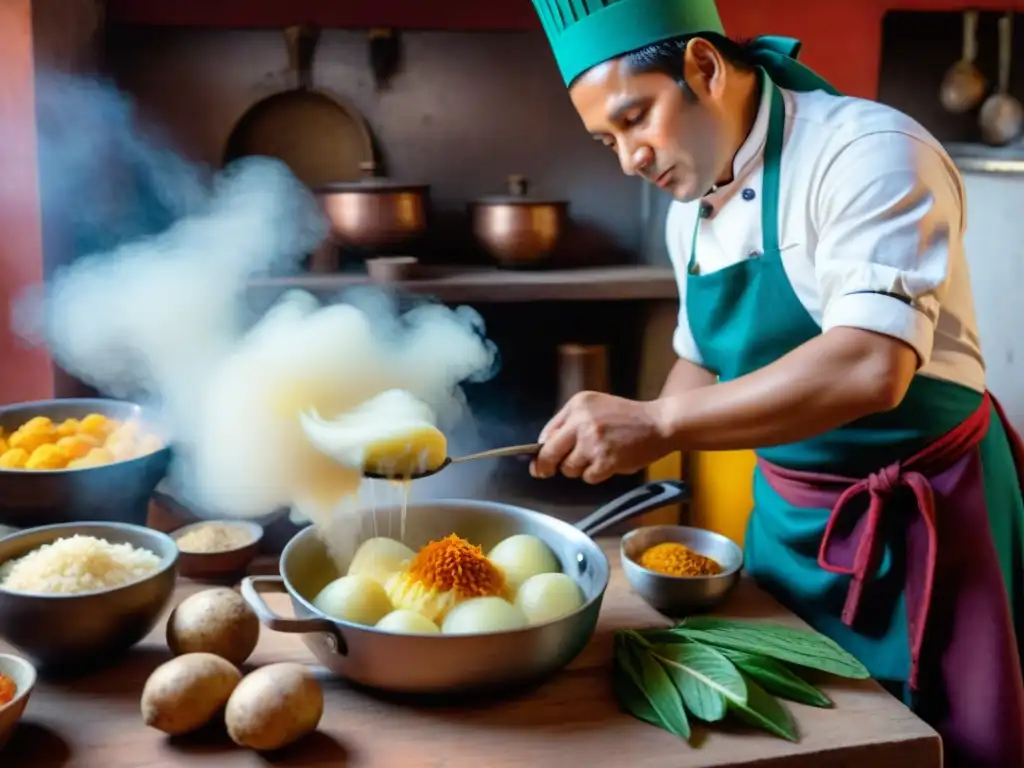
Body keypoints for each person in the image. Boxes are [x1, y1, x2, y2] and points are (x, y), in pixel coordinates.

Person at [525, 1, 1024, 764]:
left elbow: (869, 364)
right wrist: (634, 433)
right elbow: (700, 357)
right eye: (607, 139)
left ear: (704, 67)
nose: (628, 157)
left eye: (636, 119)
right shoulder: (685, 213)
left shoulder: (869, 151)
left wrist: (657, 427)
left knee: (951, 746)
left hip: (929, 520)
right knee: (802, 740)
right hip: (788, 526)